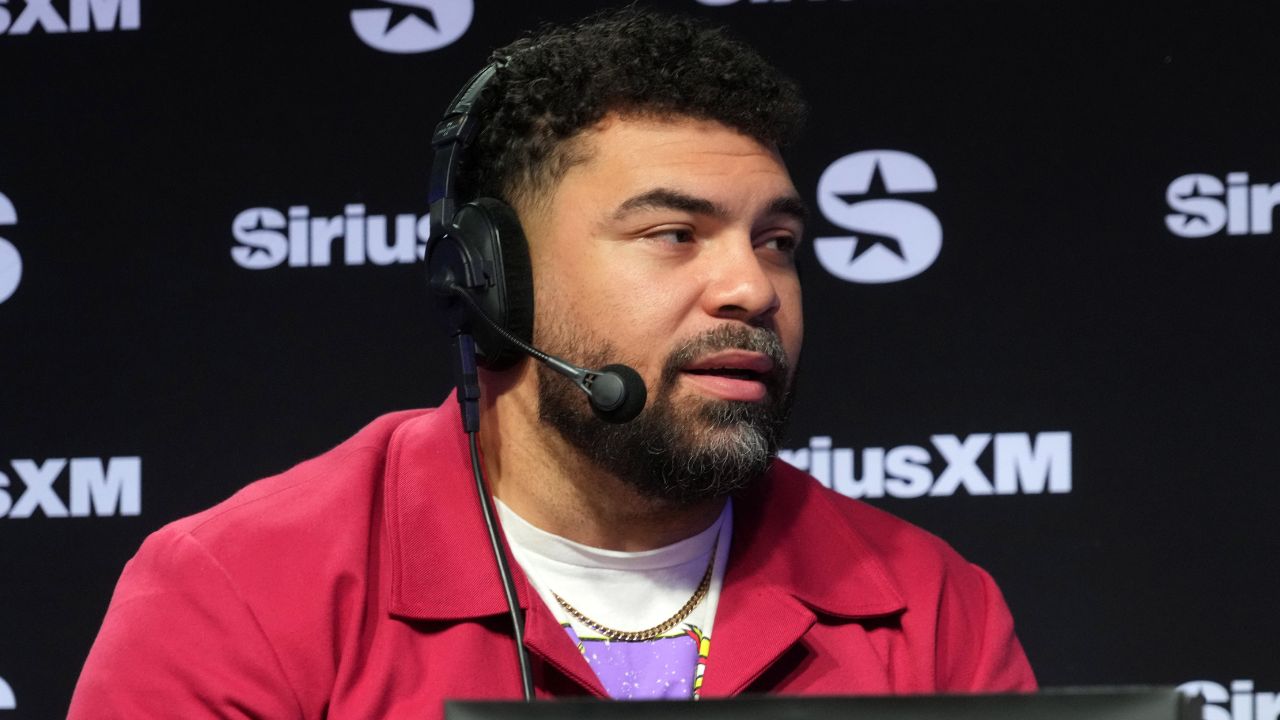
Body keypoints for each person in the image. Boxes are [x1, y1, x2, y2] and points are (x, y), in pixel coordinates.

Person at [69, 8, 1035, 718]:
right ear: (496, 283)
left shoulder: (927, 609)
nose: (752, 287)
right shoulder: (245, 594)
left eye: (776, 242)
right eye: (674, 234)